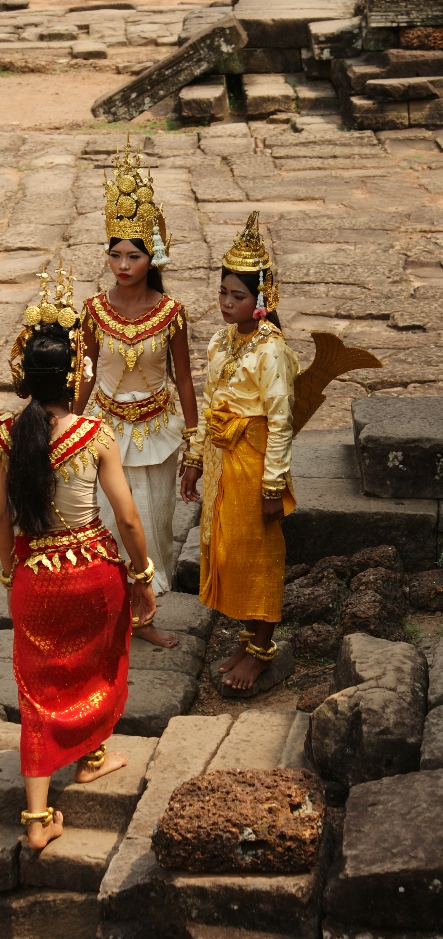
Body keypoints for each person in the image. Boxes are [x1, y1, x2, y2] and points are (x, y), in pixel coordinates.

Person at [0, 265, 157, 851]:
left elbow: (1, 520)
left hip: (36, 579)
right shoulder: (94, 435)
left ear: (24, 377)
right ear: (75, 375)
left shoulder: (7, 437)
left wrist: (12, 575)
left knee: (38, 691)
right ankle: (92, 756)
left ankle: (37, 820)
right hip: (92, 574)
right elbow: (129, 519)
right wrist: (142, 576)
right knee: (94, 664)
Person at [75, 136, 198, 650]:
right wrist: (64, 428)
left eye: (134, 255)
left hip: (157, 435)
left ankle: (143, 619)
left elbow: (186, 379)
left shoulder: (171, 314)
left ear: (154, 257)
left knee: (151, 525)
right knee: (103, 525)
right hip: (103, 432)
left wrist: (195, 445)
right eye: (116, 254)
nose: (123, 264)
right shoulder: (92, 310)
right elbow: (82, 375)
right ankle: (106, 617)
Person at [180, 212, 299, 692]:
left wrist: (275, 485)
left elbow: (282, 421)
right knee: (229, 551)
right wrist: (194, 461)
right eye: (223, 293)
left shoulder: (272, 352)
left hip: (255, 463)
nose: (227, 304)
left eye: (239, 296)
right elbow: (209, 404)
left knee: (259, 551)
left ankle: (264, 650)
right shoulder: (219, 341)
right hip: (221, 458)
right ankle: (248, 637)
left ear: (262, 301)